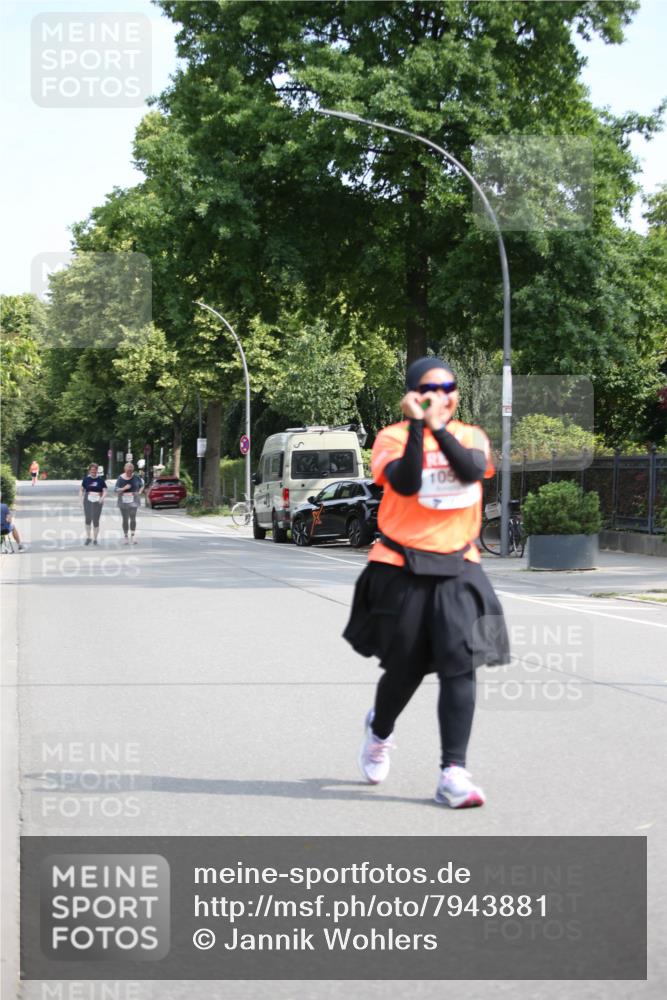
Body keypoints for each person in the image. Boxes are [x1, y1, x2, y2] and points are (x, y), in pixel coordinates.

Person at [343, 357, 510, 808]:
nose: (442, 394)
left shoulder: (472, 436)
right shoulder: (391, 438)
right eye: (431, 388)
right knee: (407, 667)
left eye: (449, 386)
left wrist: (436, 427)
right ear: (414, 393)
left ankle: (452, 772)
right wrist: (419, 426)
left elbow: (472, 472)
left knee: (461, 665)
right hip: (401, 567)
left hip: (459, 565)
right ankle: (379, 731)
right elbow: (406, 480)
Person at [114, 462, 143, 544]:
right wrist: (124, 488)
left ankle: (133, 536)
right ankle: (126, 536)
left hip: (134, 499)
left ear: (133, 470)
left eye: (131, 470)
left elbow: (142, 486)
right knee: (125, 519)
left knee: (133, 517)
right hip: (123, 500)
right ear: (125, 469)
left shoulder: (136, 477)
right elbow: (116, 490)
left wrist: (139, 492)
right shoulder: (120, 478)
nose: (129, 471)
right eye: (128, 470)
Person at [79, 463, 107, 545]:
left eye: (95, 471)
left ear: (97, 471)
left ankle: (95, 539)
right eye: (92, 471)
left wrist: (102, 498)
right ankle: (88, 537)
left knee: (95, 520)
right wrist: (80, 500)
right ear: (89, 471)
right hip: (88, 500)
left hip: (98, 500)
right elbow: (81, 490)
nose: (93, 472)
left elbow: (105, 491)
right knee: (88, 519)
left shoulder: (101, 481)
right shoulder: (86, 479)